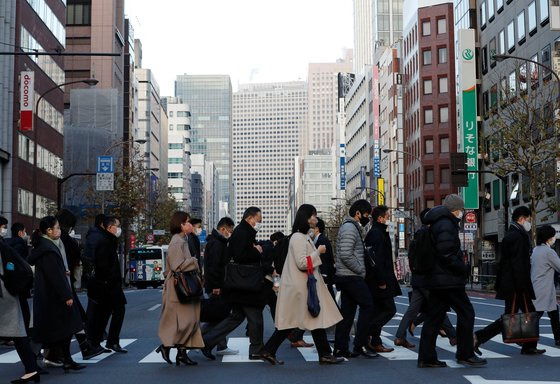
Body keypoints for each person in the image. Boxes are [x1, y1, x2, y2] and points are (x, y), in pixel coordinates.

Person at [258, 204, 344, 365]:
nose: (315, 218)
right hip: (301, 288)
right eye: (313, 215)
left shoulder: (302, 236)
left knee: (307, 320)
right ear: (305, 218)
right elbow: (302, 263)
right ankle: (323, 354)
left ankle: (269, 350)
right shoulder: (298, 238)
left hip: (303, 287)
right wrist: (319, 251)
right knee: (303, 320)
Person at [417, 195, 486, 368]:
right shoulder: (446, 224)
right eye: (461, 210)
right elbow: (446, 252)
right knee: (466, 313)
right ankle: (465, 353)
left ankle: (426, 357)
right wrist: (462, 268)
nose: (462, 213)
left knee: (434, 317)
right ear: (455, 209)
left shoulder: (436, 221)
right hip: (448, 279)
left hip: (436, 278)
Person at [474, 206, 545, 355]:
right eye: (529, 219)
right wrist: (522, 285)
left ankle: (479, 338)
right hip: (517, 284)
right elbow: (518, 263)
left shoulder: (511, 234)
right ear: (522, 219)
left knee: (510, 316)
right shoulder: (518, 236)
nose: (529, 223)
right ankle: (528, 346)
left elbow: (506, 262)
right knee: (529, 313)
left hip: (511, 283)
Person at [201, 207, 266, 360]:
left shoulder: (242, 232)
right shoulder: (243, 233)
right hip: (245, 284)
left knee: (235, 318)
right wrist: (257, 251)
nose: (259, 223)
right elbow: (240, 255)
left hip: (239, 284)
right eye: (259, 220)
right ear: (250, 218)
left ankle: (207, 342)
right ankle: (256, 349)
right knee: (255, 317)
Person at [27, 216, 85, 372]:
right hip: (53, 296)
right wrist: (67, 296)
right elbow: (54, 275)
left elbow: (52, 271)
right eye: (57, 227)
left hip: (49, 295)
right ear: (49, 231)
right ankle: (31, 363)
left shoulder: (45, 245)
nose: (60, 230)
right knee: (43, 333)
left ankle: (66, 359)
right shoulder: (49, 249)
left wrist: (62, 271)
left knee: (64, 328)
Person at [395, 208, 457, 349]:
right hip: (428, 279)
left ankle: (399, 336)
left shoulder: (417, 235)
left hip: (417, 279)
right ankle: (453, 336)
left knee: (412, 310)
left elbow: (412, 257)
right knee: (438, 307)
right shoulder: (430, 234)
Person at [156, 211, 204, 365]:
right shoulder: (177, 241)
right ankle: (167, 346)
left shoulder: (184, 239)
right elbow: (177, 266)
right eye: (188, 222)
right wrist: (194, 261)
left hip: (183, 286)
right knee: (185, 321)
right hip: (178, 288)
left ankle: (181, 353)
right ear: (181, 225)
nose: (191, 225)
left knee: (190, 320)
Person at [56, 209, 104, 360]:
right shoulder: (65, 240)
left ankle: (74, 352)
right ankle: (82, 349)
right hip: (63, 283)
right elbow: (76, 257)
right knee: (71, 317)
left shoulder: (52, 239)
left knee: (68, 318)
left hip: (58, 283)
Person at [333, 199, 378, 359]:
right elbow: (345, 254)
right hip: (351, 276)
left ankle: (341, 348)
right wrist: (360, 269)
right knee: (368, 306)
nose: (367, 217)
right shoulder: (349, 228)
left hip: (346, 276)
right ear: (357, 213)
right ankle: (360, 345)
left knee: (347, 313)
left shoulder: (351, 227)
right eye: (366, 214)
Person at [0, 240, 40, 383]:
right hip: (8, 294)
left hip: (4, 296)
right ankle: (32, 369)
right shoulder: (3, 245)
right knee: (18, 333)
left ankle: (32, 368)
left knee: (18, 333)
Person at [89, 216, 128, 353]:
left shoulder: (108, 240)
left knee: (105, 313)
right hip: (108, 284)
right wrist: (109, 280)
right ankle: (110, 341)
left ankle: (97, 342)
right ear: (110, 227)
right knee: (115, 311)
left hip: (108, 284)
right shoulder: (106, 242)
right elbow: (103, 265)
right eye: (116, 226)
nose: (118, 229)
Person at [365, 205, 400, 353]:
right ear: (380, 218)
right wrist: (381, 281)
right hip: (379, 281)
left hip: (379, 279)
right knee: (389, 309)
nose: (388, 219)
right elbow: (376, 260)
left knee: (379, 309)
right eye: (387, 216)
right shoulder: (376, 234)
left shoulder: (377, 232)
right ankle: (366, 332)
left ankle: (375, 340)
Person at [202, 216, 238, 356]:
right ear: (223, 228)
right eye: (230, 230)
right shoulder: (217, 243)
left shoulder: (217, 241)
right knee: (219, 317)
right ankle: (195, 338)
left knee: (218, 316)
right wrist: (216, 286)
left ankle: (220, 346)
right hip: (217, 286)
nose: (231, 232)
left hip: (216, 285)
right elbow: (215, 267)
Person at [530, 225, 560, 346]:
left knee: (553, 312)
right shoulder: (548, 252)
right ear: (548, 238)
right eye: (553, 236)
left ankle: (558, 337)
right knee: (537, 315)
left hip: (539, 286)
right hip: (544, 288)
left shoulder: (536, 249)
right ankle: (528, 341)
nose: (554, 238)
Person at [313, 218, 336, 300]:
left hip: (325, 277)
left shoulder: (321, 241)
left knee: (330, 302)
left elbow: (324, 260)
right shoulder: (320, 240)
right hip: (325, 277)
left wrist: (324, 277)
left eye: (311, 227)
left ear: (317, 229)